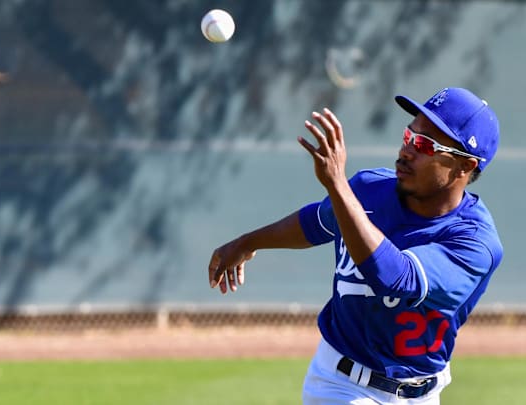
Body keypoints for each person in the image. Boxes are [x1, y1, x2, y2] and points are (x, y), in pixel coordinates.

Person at [208, 86, 503, 404]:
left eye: (424, 145)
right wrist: (248, 243)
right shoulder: (367, 190)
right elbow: (315, 223)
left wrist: (337, 185)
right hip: (342, 386)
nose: (406, 151)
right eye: (408, 136)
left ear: (466, 166)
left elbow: (397, 278)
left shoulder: (474, 243)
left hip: (423, 395)